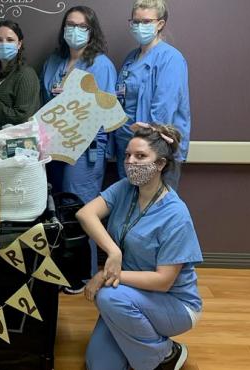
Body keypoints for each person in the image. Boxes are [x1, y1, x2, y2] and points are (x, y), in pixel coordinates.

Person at [77, 124, 203, 370]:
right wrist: (114, 251)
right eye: (127, 155)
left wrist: (107, 274)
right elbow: (86, 214)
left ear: (160, 164)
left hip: (173, 303)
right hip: (130, 294)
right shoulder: (125, 189)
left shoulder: (175, 214)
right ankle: (147, 345)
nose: (130, 162)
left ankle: (165, 355)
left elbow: (163, 281)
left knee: (108, 296)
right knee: (100, 365)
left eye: (141, 156)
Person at [41, 5, 117, 294]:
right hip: (53, 150)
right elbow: (43, 103)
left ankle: (83, 275)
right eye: (70, 25)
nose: (74, 30)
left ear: (92, 30)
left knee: (82, 211)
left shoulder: (101, 65)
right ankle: (60, 268)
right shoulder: (53, 62)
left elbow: (104, 111)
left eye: (82, 26)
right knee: (57, 211)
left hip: (85, 152)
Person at [114, 0, 190, 190]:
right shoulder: (131, 59)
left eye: (146, 22)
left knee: (154, 210)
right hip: (129, 148)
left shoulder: (170, 59)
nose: (140, 27)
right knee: (130, 208)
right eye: (136, 22)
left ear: (160, 24)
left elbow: (164, 110)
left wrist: (147, 145)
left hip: (155, 151)